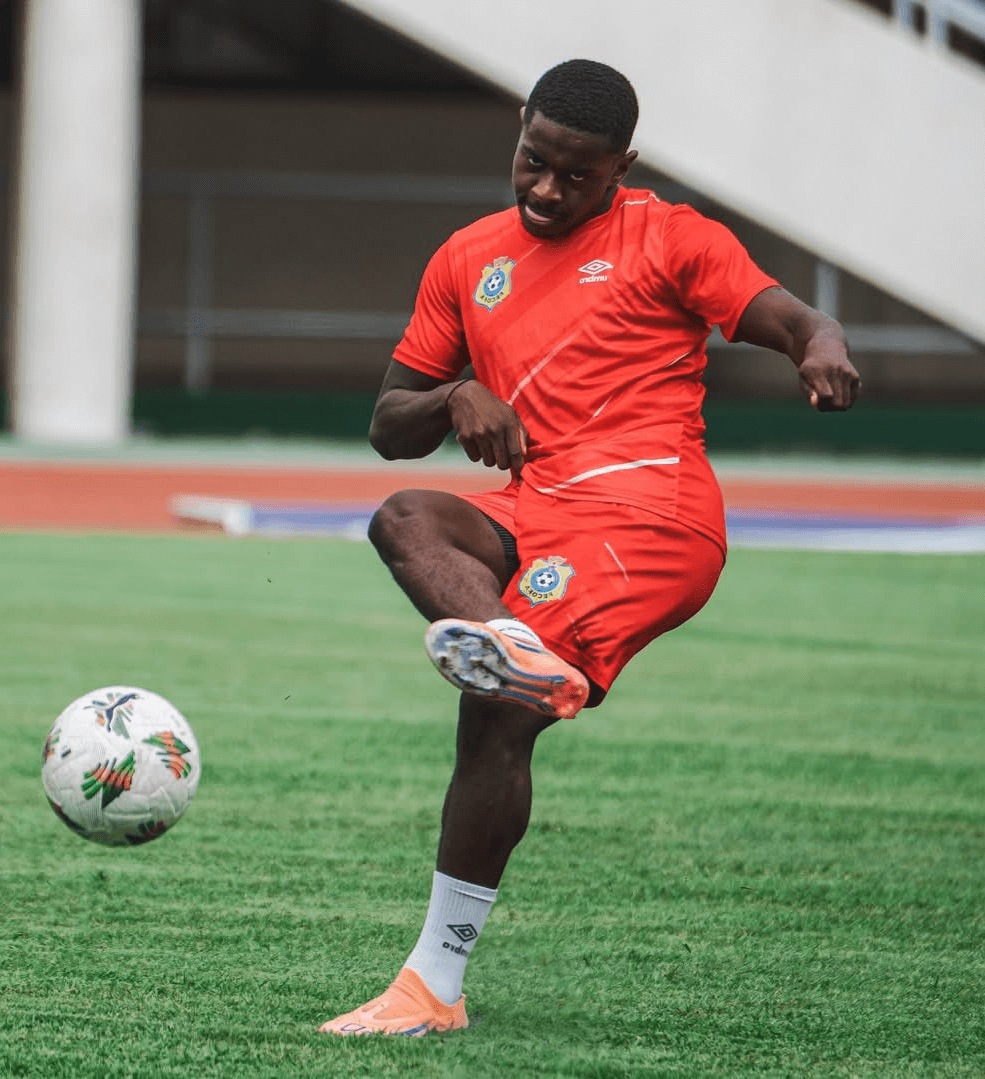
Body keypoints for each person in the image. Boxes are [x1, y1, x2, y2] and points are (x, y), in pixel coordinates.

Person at [319, 58, 860, 1037]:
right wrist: (451, 395)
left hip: (653, 515)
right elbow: (387, 422)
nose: (544, 188)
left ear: (623, 166)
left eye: (576, 175)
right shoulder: (465, 258)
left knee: (495, 715)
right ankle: (518, 658)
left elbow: (789, 316)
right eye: (532, 160)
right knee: (405, 515)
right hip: (544, 508)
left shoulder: (671, 237)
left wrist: (820, 347)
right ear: (520, 129)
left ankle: (432, 985)